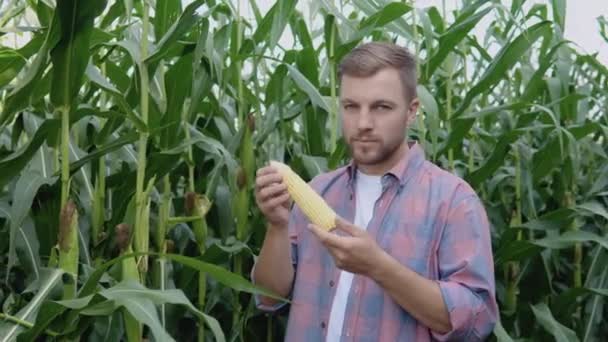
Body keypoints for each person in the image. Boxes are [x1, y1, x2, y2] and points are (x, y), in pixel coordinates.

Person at [251, 41, 498, 341]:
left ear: (412, 111)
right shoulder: (318, 191)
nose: (363, 123)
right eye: (351, 107)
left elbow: (476, 321)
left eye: (381, 107)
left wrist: (378, 267)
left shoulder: (454, 202)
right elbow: (269, 297)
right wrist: (277, 227)